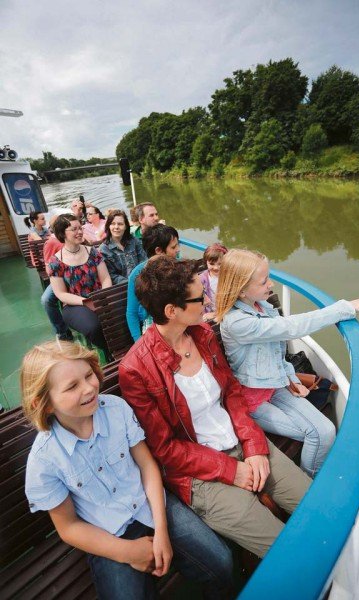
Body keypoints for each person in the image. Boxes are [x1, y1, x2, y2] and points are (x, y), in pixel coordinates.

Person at [119, 257, 311, 559]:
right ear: (172, 311)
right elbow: (165, 449)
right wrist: (230, 469)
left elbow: (232, 394)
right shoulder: (137, 369)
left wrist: (255, 446)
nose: (208, 300)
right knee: (288, 551)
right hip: (198, 473)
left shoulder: (203, 334)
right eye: (199, 298)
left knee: (315, 506)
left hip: (241, 443)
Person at [22, 341, 233, 600]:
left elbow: (146, 465)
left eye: (88, 375)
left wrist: (162, 530)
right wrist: (127, 552)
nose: (89, 388)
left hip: (152, 506)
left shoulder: (115, 409)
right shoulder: (44, 461)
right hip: (108, 534)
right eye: (72, 386)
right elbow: (69, 527)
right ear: (45, 404)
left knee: (221, 563)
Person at [216, 249, 359, 477]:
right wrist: (347, 307)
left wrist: (290, 376)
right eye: (264, 281)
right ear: (242, 289)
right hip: (251, 400)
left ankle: (313, 474)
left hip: (273, 386)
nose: (271, 284)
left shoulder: (261, 306)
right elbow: (292, 327)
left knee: (326, 429)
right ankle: (312, 481)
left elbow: (275, 351)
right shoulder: (237, 323)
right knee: (320, 434)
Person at [48, 214, 111, 349]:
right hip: (74, 305)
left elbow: (105, 278)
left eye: (80, 228)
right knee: (94, 327)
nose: (80, 232)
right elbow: (60, 293)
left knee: (120, 316)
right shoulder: (55, 261)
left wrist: (103, 296)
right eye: (74, 229)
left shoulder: (92, 252)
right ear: (62, 233)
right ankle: (111, 350)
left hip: (99, 297)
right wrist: (85, 301)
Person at [126, 224, 180, 341]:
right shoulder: (138, 274)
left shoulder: (177, 267)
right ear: (159, 251)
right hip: (154, 324)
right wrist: (138, 342)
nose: (178, 250)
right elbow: (132, 313)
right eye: (174, 247)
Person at [40, 214, 73, 341]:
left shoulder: (77, 236)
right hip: (61, 277)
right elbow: (49, 268)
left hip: (79, 274)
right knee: (46, 300)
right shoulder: (51, 242)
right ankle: (62, 331)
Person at [100, 210, 146, 285]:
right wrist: (131, 283)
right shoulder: (104, 249)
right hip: (122, 288)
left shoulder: (134, 241)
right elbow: (111, 276)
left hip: (142, 281)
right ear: (108, 226)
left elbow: (143, 261)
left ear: (125, 227)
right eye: (112, 224)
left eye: (120, 224)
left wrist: (140, 278)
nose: (116, 227)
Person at [199, 243, 228, 323]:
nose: (216, 267)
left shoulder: (229, 276)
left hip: (227, 309)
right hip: (210, 310)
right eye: (211, 264)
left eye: (220, 264)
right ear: (206, 262)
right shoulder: (202, 278)